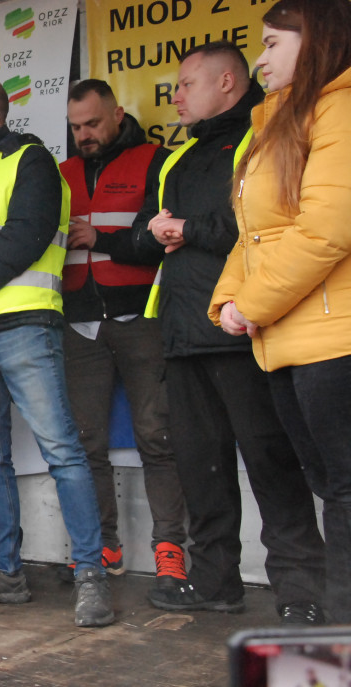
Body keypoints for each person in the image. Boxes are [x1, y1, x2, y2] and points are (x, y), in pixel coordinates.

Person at [133, 42, 326, 622]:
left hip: (243, 325)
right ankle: (215, 581)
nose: (177, 96)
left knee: (272, 465)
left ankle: (301, 592)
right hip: (182, 331)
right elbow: (146, 234)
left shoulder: (263, 136)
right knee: (200, 466)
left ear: (226, 82)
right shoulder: (176, 155)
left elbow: (263, 224)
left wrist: (188, 228)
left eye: (188, 84)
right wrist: (158, 233)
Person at [0, 76, 113, 628]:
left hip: (22, 326)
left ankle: (91, 576)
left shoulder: (30, 160)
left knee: (63, 450)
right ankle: (5, 572)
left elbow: (26, 234)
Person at [209, 0, 351, 624]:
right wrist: (228, 303)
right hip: (288, 339)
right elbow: (254, 234)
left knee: (346, 493)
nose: (259, 59)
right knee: (333, 490)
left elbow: (326, 229)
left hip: (336, 339)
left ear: (315, 39)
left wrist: (253, 302)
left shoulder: (342, 109)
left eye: (271, 44)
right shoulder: (276, 123)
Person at [58, 80, 188, 587]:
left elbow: (168, 237)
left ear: (116, 114)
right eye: (75, 127)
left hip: (143, 319)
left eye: (92, 123)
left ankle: (169, 549)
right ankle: (100, 547)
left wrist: (103, 239)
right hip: (79, 324)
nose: (84, 134)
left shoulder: (156, 160)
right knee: (84, 443)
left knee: (157, 437)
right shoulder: (60, 173)